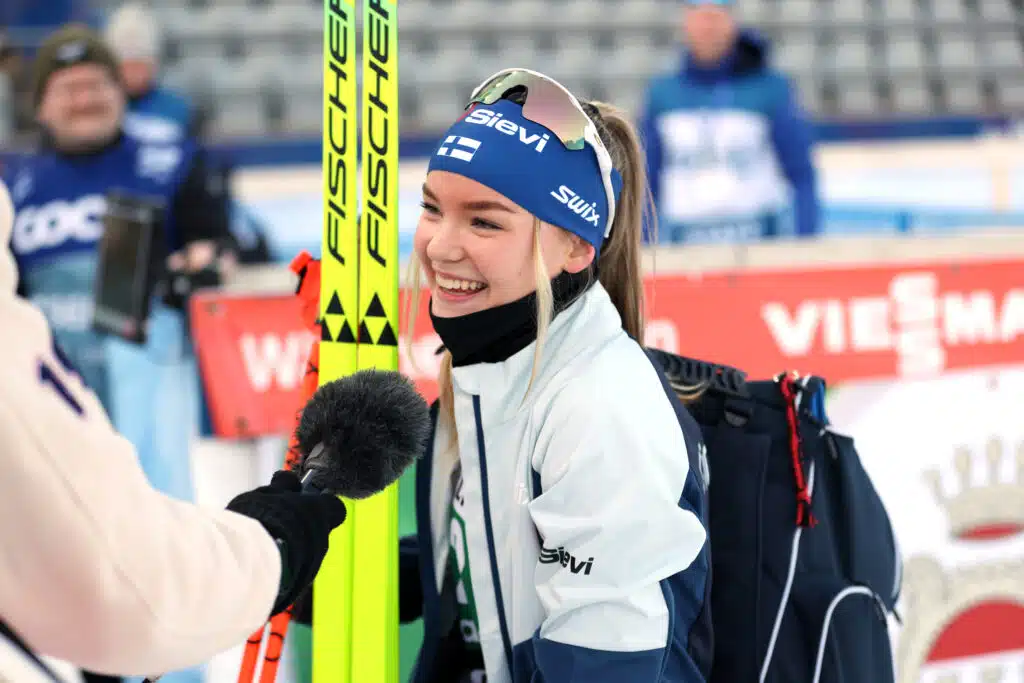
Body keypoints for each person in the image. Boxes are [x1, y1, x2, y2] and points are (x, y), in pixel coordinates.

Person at [399, 69, 713, 682]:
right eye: (433, 209)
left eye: (483, 221)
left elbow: (606, 663)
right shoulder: (474, 377)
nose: (439, 246)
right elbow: (491, 567)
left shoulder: (600, 408)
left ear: (575, 246)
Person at [0, 176, 347, 681]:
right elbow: (132, 588)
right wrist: (269, 547)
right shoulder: (32, 178)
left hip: (122, 408)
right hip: (85, 454)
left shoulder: (170, 161)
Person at [4, 25, 232, 682]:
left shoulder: (173, 160)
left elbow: (223, 244)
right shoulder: (12, 180)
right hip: (46, 400)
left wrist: (203, 260)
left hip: (142, 392)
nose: (86, 98)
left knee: (153, 542)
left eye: (98, 84)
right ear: (39, 103)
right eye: (69, 88)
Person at [638, 0, 820, 243]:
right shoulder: (662, 92)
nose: (708, 27)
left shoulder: (770, 88)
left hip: (759, 241)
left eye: (716, 17)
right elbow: (646, 179)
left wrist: (806, 242)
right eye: (700, 17)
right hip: (684, 244)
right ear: (686, 21)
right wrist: (641, 245)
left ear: (731, 21)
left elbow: (801, 173)